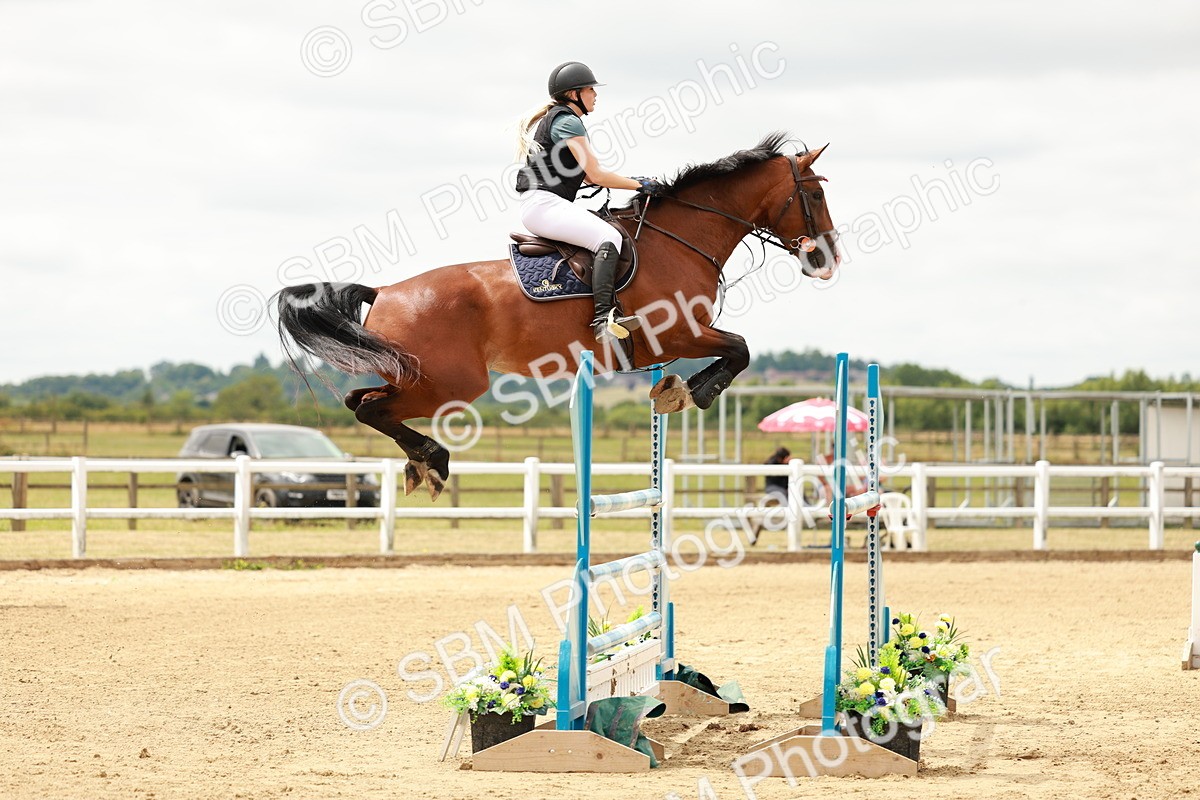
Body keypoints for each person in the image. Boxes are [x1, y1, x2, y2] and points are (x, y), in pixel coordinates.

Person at [515, 61, 664, 342]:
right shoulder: (568, 122)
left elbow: (588, 178)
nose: (595, 95)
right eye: (590, 90)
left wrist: (635, 180)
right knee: (608, 237)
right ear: (574, 95)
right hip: (544, 204)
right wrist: (640, 184)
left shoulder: (560, 121)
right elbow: (596, 174)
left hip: (543, 203)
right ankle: (604, 319)